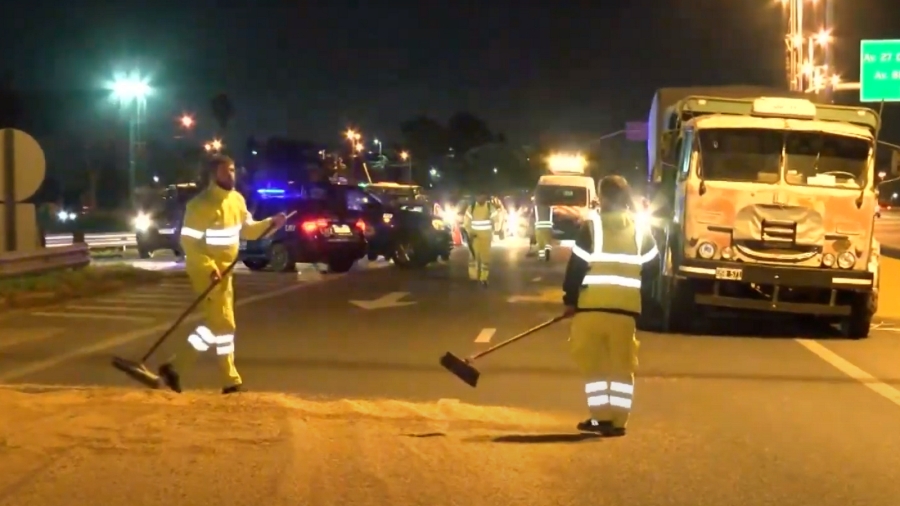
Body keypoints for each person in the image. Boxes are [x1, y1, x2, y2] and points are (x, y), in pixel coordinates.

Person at [158, 155, 287, 394]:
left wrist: (272, 223)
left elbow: (248, 231)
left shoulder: (237, 200)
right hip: (206, 273)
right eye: (226, 171)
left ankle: (175, 367)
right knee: (225, 324)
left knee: (216, 325)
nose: (231, 175)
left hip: (226, 273)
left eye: (232, 170)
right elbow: (189, 244)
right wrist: (208, 268)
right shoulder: (199, 206)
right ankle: (230, 380)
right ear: (213, 175)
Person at [561, 175, 658, 436]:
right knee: (622, 366)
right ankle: (618, 422)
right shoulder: (640, 230)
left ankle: (600, 417)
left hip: (591, 307)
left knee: (593, 364)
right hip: (625, 311)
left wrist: (570, 299)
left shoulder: (592, 228)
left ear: (601, 198)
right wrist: (637, 292)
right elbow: (652, 268)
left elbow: (576, 268)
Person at [463, 192, 498, 286]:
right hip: (474, 237)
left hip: (486, 238)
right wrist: (469, 233)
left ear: (485, 197)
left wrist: (496, 230)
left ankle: (484, 278)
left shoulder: (490, 207)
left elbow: (496, 220)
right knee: (473, 257)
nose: (480, 198)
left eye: (482, 196)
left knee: (485, 259)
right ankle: (473, 277)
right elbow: (466, 222)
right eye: (478, 196)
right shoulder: (472, 207)